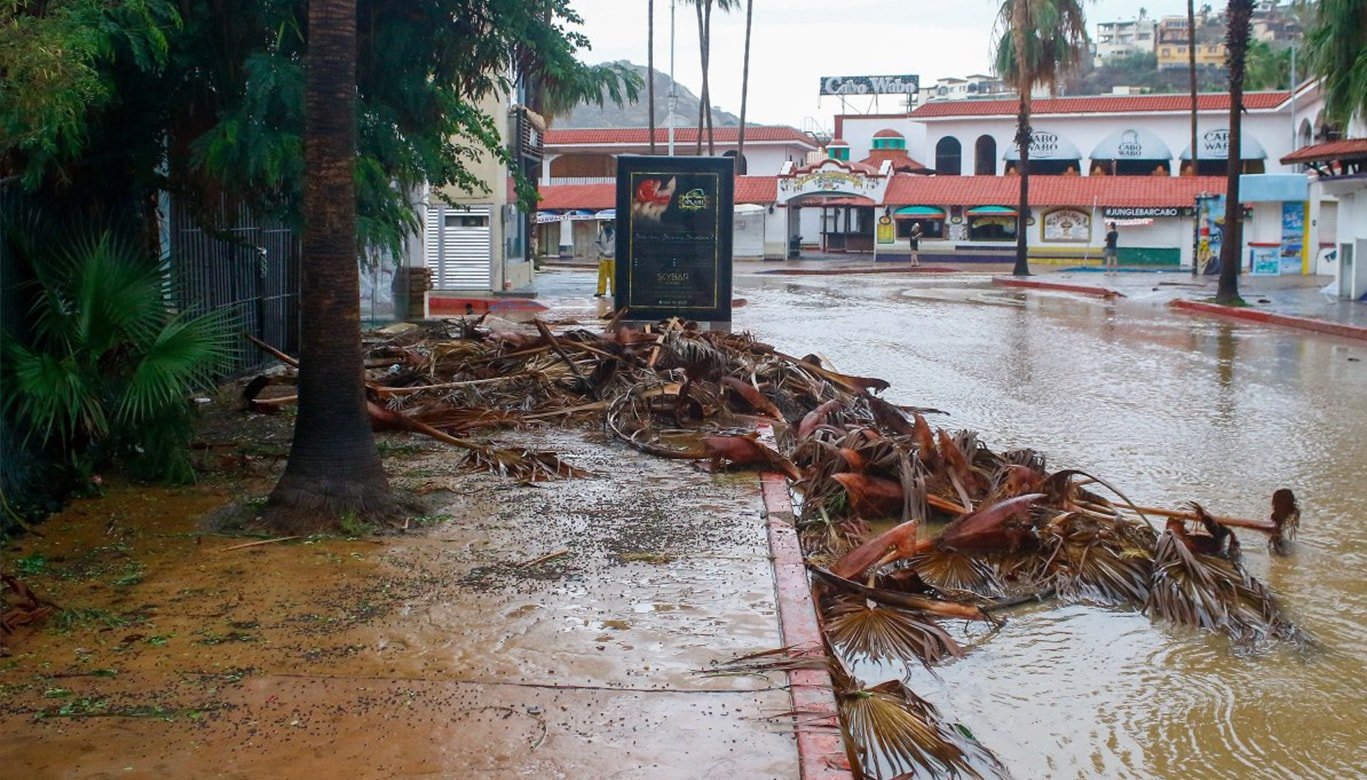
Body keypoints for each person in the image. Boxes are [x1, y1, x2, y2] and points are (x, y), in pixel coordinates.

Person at [594, 221, 615, 297]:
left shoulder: (615, 234)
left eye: (609, 224)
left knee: (614, 275)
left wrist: (613, 252)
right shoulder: (600, 234)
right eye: (606, 224)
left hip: (613, 257)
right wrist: (602, 252)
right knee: (602, 275)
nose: (607, 225)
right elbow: (597, 244)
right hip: (603, 257)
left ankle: (614, 291)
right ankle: (601, 291)